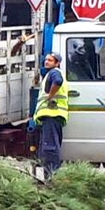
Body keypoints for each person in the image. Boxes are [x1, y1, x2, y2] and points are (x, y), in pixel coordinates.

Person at [33, 52, 69, 180]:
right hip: (54, 117)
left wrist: (50, 96)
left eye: (50, 60)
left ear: (57, 63)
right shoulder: (51, 73)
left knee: (50, 149)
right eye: (46, 60)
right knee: (50, 148)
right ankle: (51, 178)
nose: (46, 62)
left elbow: (57, 82)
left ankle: (51, 179)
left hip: (51, 115)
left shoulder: (55, 73)